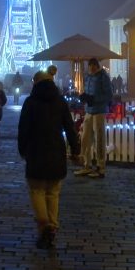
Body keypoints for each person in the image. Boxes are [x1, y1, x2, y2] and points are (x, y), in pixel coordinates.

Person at [18, 70, 81, 248]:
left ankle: (44, 224)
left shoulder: (30, 102)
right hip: (56, 151)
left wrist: (22, 149)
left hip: (36, 151)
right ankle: (52, 226)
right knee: (53, 192)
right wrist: (75, 149)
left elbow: (23, 128)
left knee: (37, 190)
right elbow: (70, 127)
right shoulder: (60, 101)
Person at [75, 58, 113, 178]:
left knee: (99, 139)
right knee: (85, 139)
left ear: (97, 66)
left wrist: (94, 99)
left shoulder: (103, 77)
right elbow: (88, 92)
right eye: (90, 66)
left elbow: (109, 95)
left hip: (99, 111)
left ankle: (101, 167)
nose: (91, 68)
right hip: (89, 111)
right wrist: (85, 98)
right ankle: (86, 165)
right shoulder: (88, 77)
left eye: (93, 66)